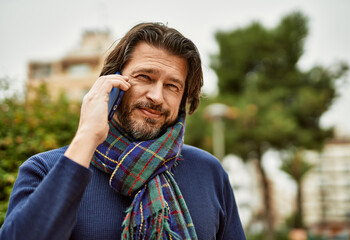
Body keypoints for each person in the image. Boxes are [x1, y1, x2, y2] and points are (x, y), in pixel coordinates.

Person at [0, 23, 247, 240]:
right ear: (112, 82)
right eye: (144, 77)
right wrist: (87, 137)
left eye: (172, 86)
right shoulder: (45, 169)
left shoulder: (209, 172)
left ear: (183, 99)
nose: (157, 96)